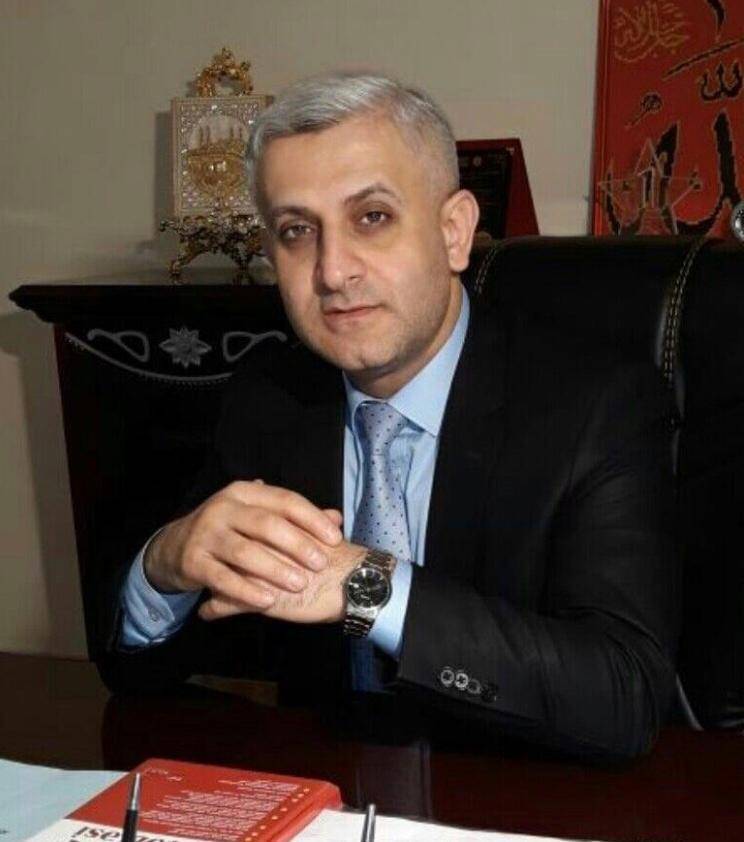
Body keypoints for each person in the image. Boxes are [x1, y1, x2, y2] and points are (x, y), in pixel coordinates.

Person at [100, 72, 679, 760]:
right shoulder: (270, 397)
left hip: (512, 793)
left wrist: (365, 587)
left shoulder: (596, 406)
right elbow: (139, 675)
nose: (332, 271)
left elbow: (622, 697)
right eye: (296, 231)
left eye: (371, 217)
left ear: (454, 232)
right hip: (328, 790)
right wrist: (163, 567)